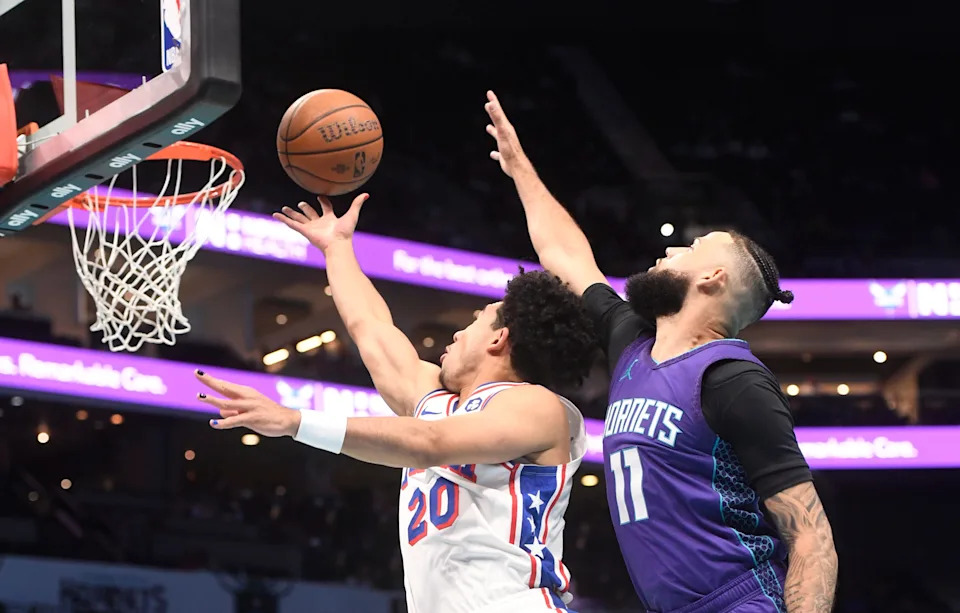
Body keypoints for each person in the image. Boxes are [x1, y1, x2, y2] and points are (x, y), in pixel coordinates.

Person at [484, 90, 838, 613]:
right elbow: (567, 256)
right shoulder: (631, 341)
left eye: (690, 248)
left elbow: (810, 536)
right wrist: (520, 170)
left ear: (712, 278)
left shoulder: (733, 380)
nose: (670, 249)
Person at [194, 193, 597, 613]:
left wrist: (295, 421)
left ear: (498, 338)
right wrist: (337, 249)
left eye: (474, 321)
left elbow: (428, 442)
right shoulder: (434, 400)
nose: (457, 334)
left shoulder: (537, 407)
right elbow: (370, 327)